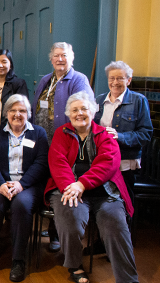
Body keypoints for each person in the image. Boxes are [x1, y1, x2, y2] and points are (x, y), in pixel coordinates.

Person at [45, 92, 138, 283]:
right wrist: (71, 186)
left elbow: (108, 163)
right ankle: (75, 265)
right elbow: (57, 162)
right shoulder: (61, 133)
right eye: (75, 110)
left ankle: (128, 279)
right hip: (69, 189)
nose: (79, 113)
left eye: (84, 109)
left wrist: (82, 184)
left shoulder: (106, 134)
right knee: (70, 218)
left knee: (115, 223)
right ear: (69, 114)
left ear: (94, 111)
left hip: (105, 192)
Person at [31, 42, 94, 252]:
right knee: (43, 182)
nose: (60, 59)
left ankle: (57, 231)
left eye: (64, 55)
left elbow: (82, 110)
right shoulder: (45, 80)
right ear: (51, 59)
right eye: (56, 55)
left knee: (61, 183)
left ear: (71, 58)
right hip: (41, 141)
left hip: (65, 142)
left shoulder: (78, 80)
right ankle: (47, 226)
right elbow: (34, 107)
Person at [0, 95, 49, 281]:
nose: (17, 114)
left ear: (29, 113)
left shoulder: (39, 133)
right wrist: (0, 184)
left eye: (22, 111)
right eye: (13, 110)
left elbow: (42, 163)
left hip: (28, 184)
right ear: (6, 113)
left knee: (22, 205)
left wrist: (21, 184)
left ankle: (18, 259)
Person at [93, 61, 152, 203]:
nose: (115, 82)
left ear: (129, 80)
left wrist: (120, 136)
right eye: (111, 78)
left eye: (120, 78)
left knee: (124, 201)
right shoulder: (99, 100)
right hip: (101, 160)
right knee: (101, 200)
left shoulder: (139, 101)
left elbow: (146, 134)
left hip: (124, 162)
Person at [0, 49, 28, 128]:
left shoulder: (18, 84)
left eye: (4, 62)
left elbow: (22, 111)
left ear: (10, 65)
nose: (0, 65)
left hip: (10, 130)